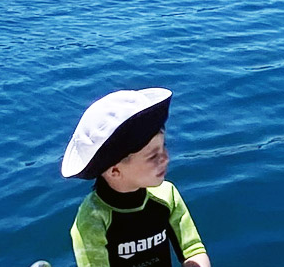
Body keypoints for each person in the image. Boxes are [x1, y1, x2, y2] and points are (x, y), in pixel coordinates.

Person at [61, 89, 208, 267]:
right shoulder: (92, 219)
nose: (166, 158)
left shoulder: (167, 195)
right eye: (153, 156)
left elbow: (193, 249)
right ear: (115, 171)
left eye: (164, 146)